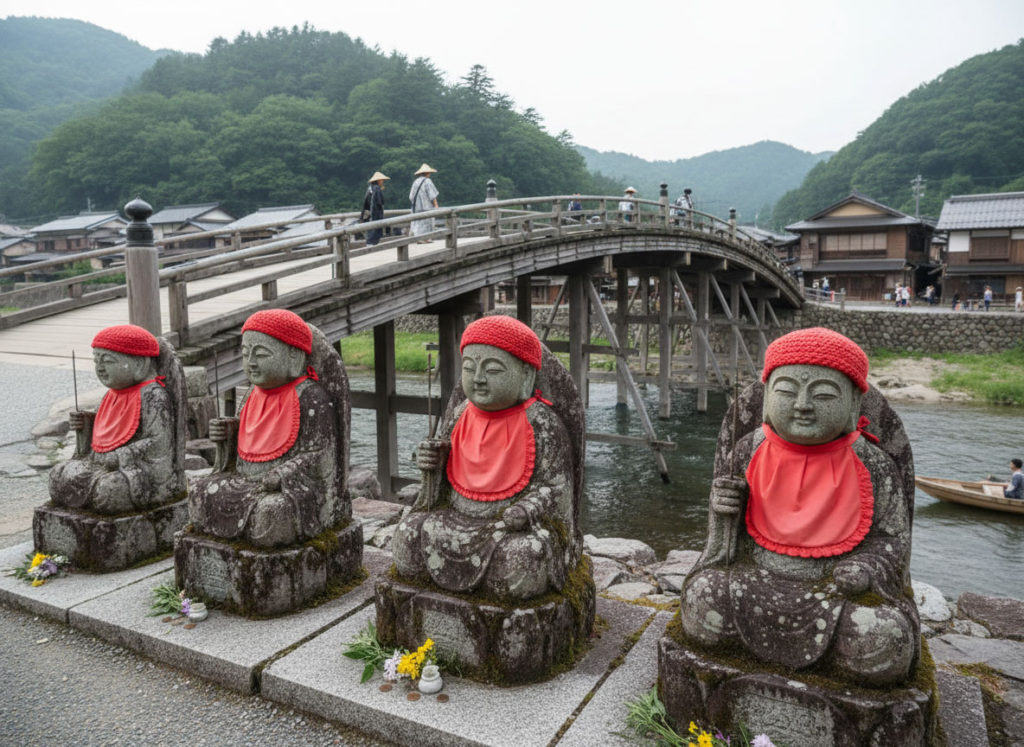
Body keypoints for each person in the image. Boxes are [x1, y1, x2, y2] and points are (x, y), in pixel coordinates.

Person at [680, 327, 918, 686]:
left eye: (823, 395)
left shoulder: (874, 465)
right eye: (787, 392)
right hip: (755, 578)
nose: (803, 405)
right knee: (703, 598)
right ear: (766, 398)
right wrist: (722, 514)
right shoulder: (748, 451)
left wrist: (865, 569)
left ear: (854, 403)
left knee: (881, 635)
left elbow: (892, 541)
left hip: (833, 591)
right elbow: (727, 544)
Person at [392, 315, 584, 601]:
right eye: (469, 368)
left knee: (523, 558)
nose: (479, 379)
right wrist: (431, 465)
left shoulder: (543, 424)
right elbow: (441, 483)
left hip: (509, 529)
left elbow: (557, 489)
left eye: (492, 370)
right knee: (408, 535)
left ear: (526, 377)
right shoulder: (461, 414)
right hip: (455, 517)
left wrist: (526, 510)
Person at [188, 310, 347, 548]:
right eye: (245, 354)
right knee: (199, 492)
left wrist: (282, 474)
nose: (251, 362)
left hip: (284, 488)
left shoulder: (311, 397)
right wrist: (228, 432)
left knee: (271, 513)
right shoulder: (252, 395)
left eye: (261, 354)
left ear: (294, 358)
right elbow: (245, 435)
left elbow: (321, 456)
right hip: (245, 481)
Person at [49, 324, 184, 514]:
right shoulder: (111, 395)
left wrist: (120, 456)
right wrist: (85, 425)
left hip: (135, 469)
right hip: (101, 464)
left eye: (107, 361)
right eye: (96, 361)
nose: (100, 368)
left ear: (140, 364)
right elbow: (104, 428)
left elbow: (159, 442)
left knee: (109, 490)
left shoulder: (153, 396)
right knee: (58, 476)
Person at [409, 163, 440, 243]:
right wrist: (436, 205)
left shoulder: (415, 182)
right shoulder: (428, 181)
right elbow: (432, 195)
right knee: (428, 222)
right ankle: (427, 238)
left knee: (418, 223)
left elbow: (411, 196)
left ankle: (418, 238)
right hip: (426, 207)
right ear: (427, 173)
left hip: (416, 207)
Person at [363, 171, 389, 246]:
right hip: (375, 213)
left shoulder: (370, 188)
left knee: (370, 230)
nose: (382, 181)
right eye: (382, 180)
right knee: (375, 231)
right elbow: (380, 202)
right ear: (378, 180)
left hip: (369, 213)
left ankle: (369, 243)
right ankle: (371, 243)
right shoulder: (377, 188)